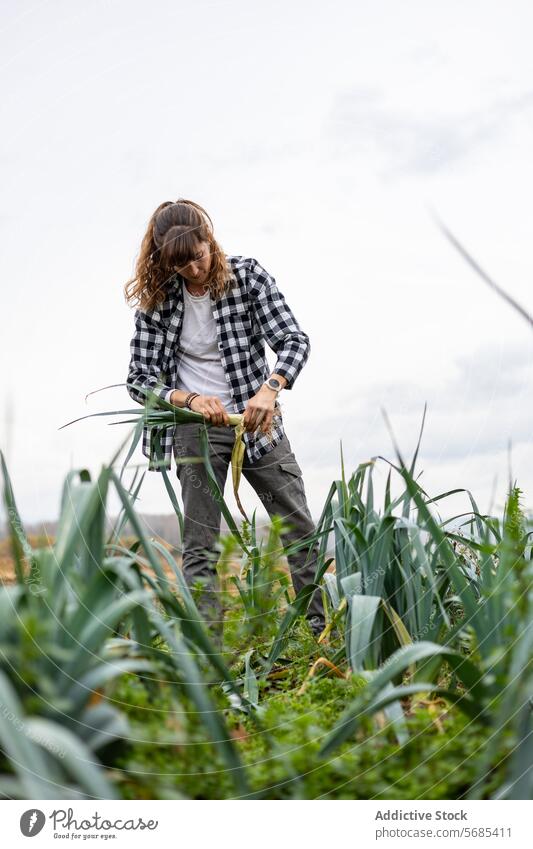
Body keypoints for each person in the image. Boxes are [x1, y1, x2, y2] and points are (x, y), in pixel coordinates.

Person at [124, 198, 325, 644]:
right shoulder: (157, 302)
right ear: (164, 262)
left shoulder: (248, 276)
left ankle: (319, 635)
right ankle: (209, 651)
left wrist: (269, 389)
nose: (194, 269)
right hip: (195, 431)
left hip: (257, 425)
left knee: (298, 529)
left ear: (209, 240)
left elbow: (294, 340)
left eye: (198, 255)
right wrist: (190, 399)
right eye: (181, 265)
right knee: (200, 547)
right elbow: (138, 381)